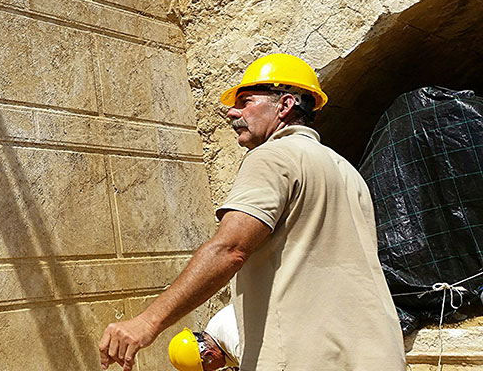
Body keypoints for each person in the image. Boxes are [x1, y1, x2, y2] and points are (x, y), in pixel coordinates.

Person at [98, 53, 405, 371]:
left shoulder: (273, 157)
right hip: (380, 354)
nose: (232, 112)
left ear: (285, 105)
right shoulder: (346, 171)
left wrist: (147, 322)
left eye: (245, 101)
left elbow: (230, 249)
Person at [168, 304, 241, 371]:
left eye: (208, 370)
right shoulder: (214, 329)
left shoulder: (237, 345)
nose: (214, 370)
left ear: (209, 354)